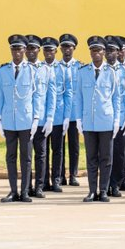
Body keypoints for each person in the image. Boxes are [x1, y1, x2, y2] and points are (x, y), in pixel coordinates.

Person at [73, 36, 121, 202]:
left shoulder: (111, 72)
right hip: (89, 121)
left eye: (99, 50)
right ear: (90, 52)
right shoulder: (82, 72)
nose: (96, 53)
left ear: (104, 52)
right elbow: (77, 97)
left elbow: (116, 98)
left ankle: (104, 190)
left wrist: (116, 120)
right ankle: (92, 191)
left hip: (106, 120)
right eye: (93, 50)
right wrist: (78, 119)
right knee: (91, 158)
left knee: (106, 158)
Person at [0, 34, 42, 202]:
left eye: (20, 49)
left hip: (26, 120)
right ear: (11, 50)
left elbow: (37, 96)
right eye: (14, 48)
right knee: (10, 157)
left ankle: (24, 191)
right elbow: (0, 95)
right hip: (9, 119)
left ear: (24, 50)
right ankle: (13, 191)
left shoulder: (32, 70)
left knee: (26, 156)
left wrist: (36, 118)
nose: (17, 52)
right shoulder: (3, 70)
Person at [25, 34, 56, 198]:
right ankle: (26, 187)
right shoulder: (21, 69)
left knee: (41, 154)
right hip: (24, 120)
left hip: (42, 119)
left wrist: (50, 117)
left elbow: (52, 96)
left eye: (34, 48)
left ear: (39, 50)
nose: (31, 51)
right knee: (26, 155)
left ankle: (39, 186)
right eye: (28, 48)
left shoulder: (46, 70)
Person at [105, 36, 125, 197]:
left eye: (113, 50)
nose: (110, 54)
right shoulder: (100, 70)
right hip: (104, 118)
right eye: (107, 50)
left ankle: (115, 184)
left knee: (119, 153)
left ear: (118, 52)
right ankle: (104, 184)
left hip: (122, 118)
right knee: (104, 154)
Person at [41, 37, 72, 193]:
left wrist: (67, 116)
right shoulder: (38, 68)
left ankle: (56, 180)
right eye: (45, 50)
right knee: (42, 150)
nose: (48, 53)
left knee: (57, 149)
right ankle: (44, 181)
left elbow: (68, 94)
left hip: (58, 116)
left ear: (55, 51)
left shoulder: (62, 69)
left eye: (51, 50)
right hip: (41, 117)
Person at [59, 33, 82, 186]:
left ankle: (73, 174)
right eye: (64, 46)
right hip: (59, 112)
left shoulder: (80, 67)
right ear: (60, 48)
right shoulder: (55, 66)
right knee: (59, 146)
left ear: (74, 48)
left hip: (74, 113)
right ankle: (60, 175)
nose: (67, 49)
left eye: (70, 46)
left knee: (74, 145)